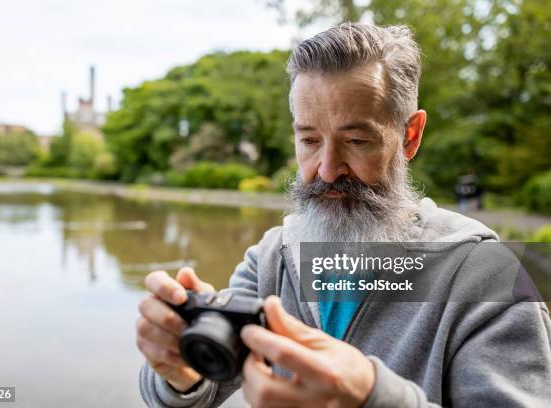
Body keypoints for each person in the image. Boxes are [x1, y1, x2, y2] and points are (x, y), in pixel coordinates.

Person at [136, 23, 551, 407]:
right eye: (310, 140)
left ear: (410, 136)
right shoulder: (272, 258)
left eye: (355, 139)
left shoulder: (489, 277)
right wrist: (180, 372)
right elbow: (198, 392)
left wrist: (373, 397)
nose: (328, 168)